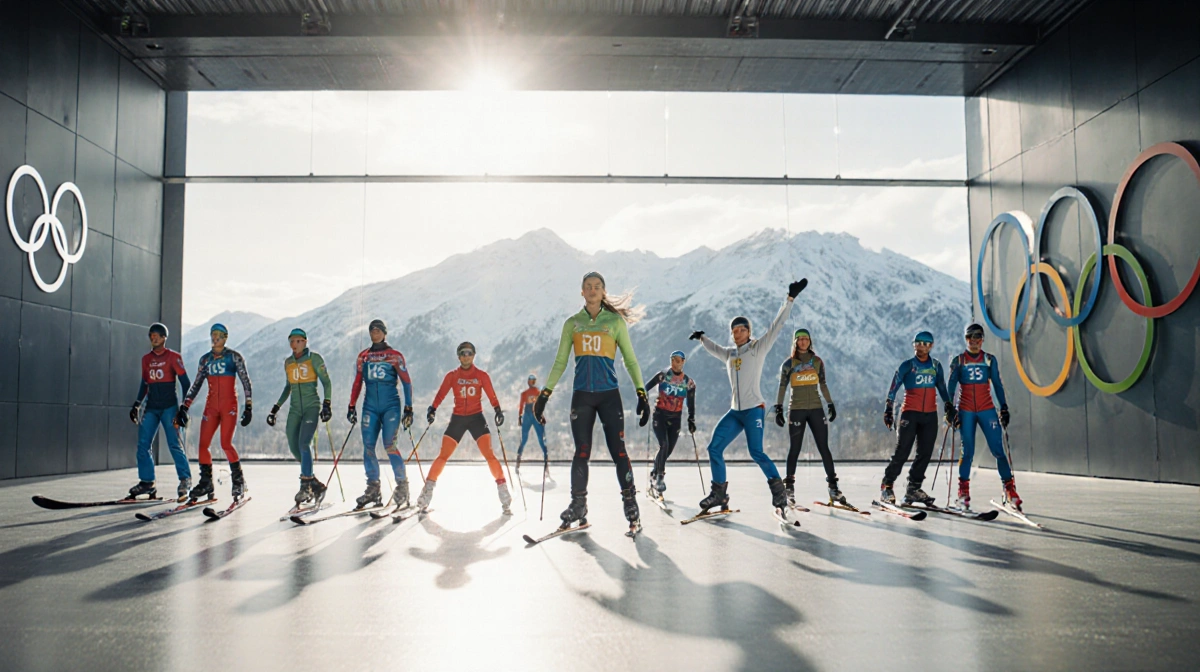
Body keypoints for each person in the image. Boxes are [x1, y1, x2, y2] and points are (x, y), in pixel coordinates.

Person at [532, 271, 649, 532]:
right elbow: (560, 362)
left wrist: (641, 393)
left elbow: (630, 360)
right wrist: (544, 395)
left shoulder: (615, 322)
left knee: (619, 452)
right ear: (582, 292)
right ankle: (578, 505)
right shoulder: (572, 324)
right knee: (581, 452)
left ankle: (631, 504)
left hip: (609, 396)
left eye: (597, 286)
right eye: (588, 286)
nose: (593, 290)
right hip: (582, 395)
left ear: (603, 291)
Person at [689, 279, 806, 516]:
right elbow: (714, 349)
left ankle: (779, 492)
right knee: (714, 448)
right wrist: (702, 338)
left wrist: (790, 299)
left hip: (754, 410)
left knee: (756, 452)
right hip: (735, 412)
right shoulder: (730, 354)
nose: (738, 333)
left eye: (742, 329)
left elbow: (777, 326)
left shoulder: (757, 348)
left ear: (749, 331)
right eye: (734, 331)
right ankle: (719, 493)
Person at [417, 342, 512, 514]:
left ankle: (504, 494)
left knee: (489, 455)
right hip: (458, 419)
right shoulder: (452, 376)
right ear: (458, 356)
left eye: (469, 353)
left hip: (477, 419)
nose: (466, 356)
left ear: (474, 355)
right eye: (462, 353)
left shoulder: (482, 375)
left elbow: (491, 394)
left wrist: (498, 410)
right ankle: (426, 493)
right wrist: (433, 408)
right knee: (443, 455)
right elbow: (441, 393)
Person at [947, 323, 1022, 510]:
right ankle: (963, 492)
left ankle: (1009, 489)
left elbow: (997, 384)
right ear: (966, 339)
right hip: (966, 410)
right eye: (969, 338)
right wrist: (949, 409)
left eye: (977, 337)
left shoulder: (989, 360)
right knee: (968, 451)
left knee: (998, 449)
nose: (973, 341)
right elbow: (951, 387)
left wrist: (1003, 408)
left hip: (986, 409)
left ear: (982, 340)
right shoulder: (959, 361)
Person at [177, 323, 252, 501]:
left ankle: (239, 481)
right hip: (211, 406)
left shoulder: (234, 357)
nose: (215, 337)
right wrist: (185, 406)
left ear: (225, 338)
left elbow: (245, 381)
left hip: (229, 406)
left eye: (219, 334)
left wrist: (248, 406)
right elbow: (196, 384)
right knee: (203, 445)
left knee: (225, 443)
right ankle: (206, 482)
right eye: (213, 334)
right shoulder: (205, 360)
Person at [347, 319, 414, 509]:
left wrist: (409, 408)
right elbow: (357, 382)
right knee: (368, 446)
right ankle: (373, 489)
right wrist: (351, 405)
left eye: (378, 330)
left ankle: (402, 486)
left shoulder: (394, 356)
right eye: (372, 330)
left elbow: (407, 382)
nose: (374, 333)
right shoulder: (363, 357)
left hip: (390, 406)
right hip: (370, 407)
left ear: (384, 333)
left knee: (389, 445)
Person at [774, 328, 845, 507]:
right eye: (800, 339)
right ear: (795, 342)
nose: (803, 342)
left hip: (816, 409)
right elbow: (782, 386)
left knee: (824, 448)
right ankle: (789, 489)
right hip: (796, 409)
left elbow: (823, 384)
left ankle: (833, 488)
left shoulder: (817, 362)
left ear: (810, 341)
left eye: (806, 339)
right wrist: (778, 407)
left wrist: (830, 404)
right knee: (795, 449)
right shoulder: (788, 364)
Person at [881, 330, 951, 506]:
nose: (921, 347)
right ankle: (887, 485)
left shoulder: (936, 366)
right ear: (914, 345)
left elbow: (942, 387)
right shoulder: (907, 365)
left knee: (925, 453)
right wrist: (888, 409)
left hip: (930, 415)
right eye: (918, 343)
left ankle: (913, 488)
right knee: (902, 451)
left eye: (925, 344)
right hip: (910, 413)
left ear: (931, 346)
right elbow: (893, 387)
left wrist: (949, 405)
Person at [266, 328, 333, 507]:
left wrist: (327, 404)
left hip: (311, 407)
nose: (293, 344)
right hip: (295, 409)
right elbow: (288, 386)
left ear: (304, 342)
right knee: (293, 446)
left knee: (304, 444)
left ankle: (306, 486)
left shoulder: (314, 359)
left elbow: (326, 382)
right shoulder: (288, 362)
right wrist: (275, 408)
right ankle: (315, 484)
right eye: (291, 341)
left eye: (297, 341)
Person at [128, 323, 193, 500]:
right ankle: (147, 482)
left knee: (174, 444)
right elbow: (145, 383)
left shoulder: (173, 357)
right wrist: (137, 404)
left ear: (164, 337)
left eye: (157, 335)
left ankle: (185, 480)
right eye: (151, 335)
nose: (153, 337)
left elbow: (186, 383)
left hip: (169, 408)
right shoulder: (146, 359)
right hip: (151, 407)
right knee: (143, 444)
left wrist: (184, 407)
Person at [643, 350, 696, 498]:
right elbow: (646, 387)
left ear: (683, 362)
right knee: (664, 445)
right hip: (660, 415)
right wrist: (644, 404)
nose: (674, 363)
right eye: (672, 360)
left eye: (678, 360)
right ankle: (660, 477)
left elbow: (691, 403)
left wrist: (691, 419)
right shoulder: (663, 376)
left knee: (667, 451)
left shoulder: (689, 383)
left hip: (675, 418)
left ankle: (654, 473)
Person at [516, 374, 550, 479]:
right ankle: (518, 461)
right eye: (531, 381)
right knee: (526, 439)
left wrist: (520, 416)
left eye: (533, 381)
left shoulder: (536, 392)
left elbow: (540, 405)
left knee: (541, 439)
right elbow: (521, 405)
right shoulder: (527, 393)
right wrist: (520, 416)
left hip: (533, 415)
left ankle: (546, 463)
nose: (532, 383)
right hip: (530, 415)